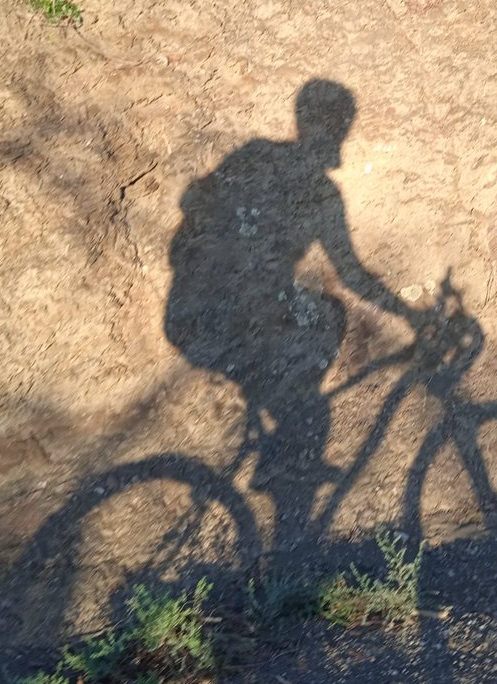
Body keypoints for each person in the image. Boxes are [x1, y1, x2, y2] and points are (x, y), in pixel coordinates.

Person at [164, 78, 422, 543]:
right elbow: (351, 274)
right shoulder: (322, 194)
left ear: (301, 121)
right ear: (340, 130)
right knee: (325, 325)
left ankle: (276, 418)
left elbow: (196, 207)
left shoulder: (256, 156)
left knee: (300, 310)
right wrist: (410, 314)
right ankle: (290, 528)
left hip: (186, 311)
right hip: (241, 317)